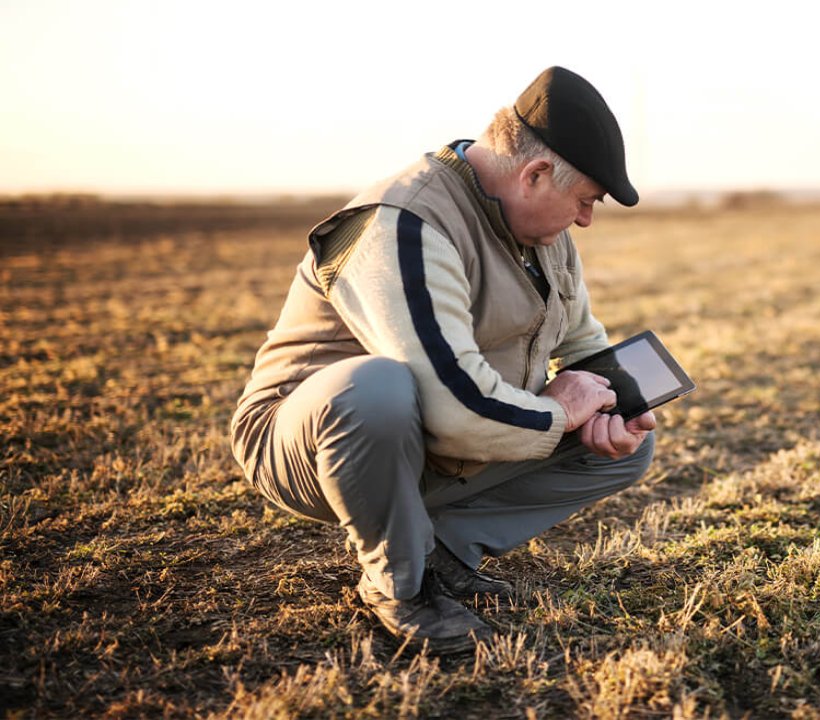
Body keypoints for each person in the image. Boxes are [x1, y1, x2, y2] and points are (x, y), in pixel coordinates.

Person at [228, 66, 657, 655]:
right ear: (534, 175)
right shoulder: (404, 221)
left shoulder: (544, 237)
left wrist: (619, 403)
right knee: (374, 387)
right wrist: (559, 413)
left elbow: (582, 342)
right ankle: (398, 584)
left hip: (441, 440)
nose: (586, 219)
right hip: (313, 440)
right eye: (584, 201)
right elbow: (452, 406)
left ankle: (443, 554)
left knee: (626, 439)